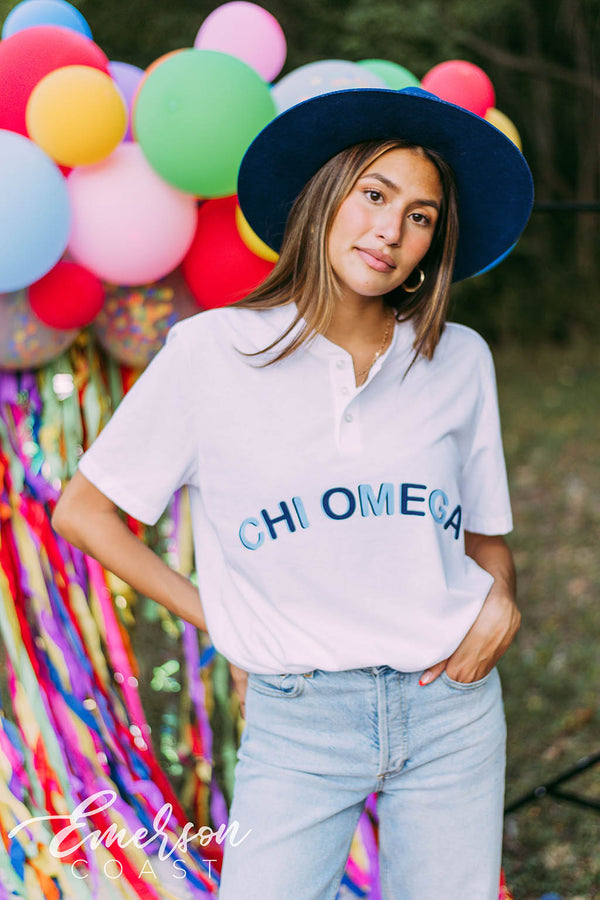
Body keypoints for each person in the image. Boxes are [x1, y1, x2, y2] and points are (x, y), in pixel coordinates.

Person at [52, 86, 533, 899]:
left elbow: (484, 537)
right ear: (324, 198)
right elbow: (84, 511)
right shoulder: (212, 352)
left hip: (452, 709)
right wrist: (227, 620)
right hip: (301, 714)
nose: (391, 229)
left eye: (421, 215)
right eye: (374, 195)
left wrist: (502, 605)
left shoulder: (459, 359)